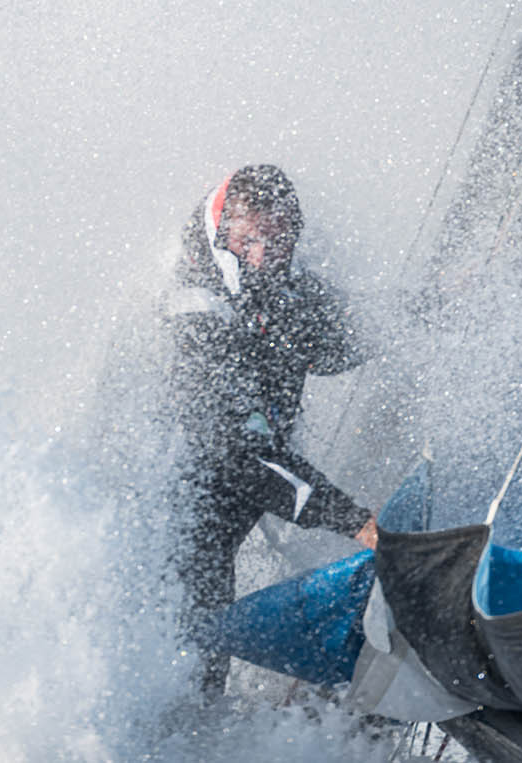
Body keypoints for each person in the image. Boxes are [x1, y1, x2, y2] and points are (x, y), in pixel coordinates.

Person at [161, 164, 377, 695]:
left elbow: (340, 344)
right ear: (222, 234)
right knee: (193, 659)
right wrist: (355, 521)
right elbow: (237, 454)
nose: (263, 257)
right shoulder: (192, 311)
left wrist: (427, 309)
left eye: (277, 243)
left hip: (240, 482)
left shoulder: (284, 281)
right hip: (179, 509)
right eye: (249, 240)